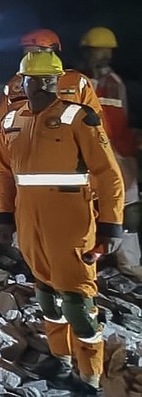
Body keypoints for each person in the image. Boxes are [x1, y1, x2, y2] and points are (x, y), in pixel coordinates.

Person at [0, 51, 124, 392]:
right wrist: (4, 217)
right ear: (25, 81)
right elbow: (5, 176)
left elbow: (109, 175)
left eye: (48, 80)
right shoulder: (12, 122)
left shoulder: (79, 118)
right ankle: (61, 358)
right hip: (30, 224)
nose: (42, 86)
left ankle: (89, 375)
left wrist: (112, 225)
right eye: (37, 80)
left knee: (77, 302)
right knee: (48, 296)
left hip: (71, 224)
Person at [0, 28, 101, 170]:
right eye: (25, 53)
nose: (28, 57)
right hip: (25, 159)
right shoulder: (14, 84)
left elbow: (96, 124)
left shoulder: (77, 82)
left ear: (51, 51)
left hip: (68, 159)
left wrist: (95, 159)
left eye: (34, 52)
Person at [80, 26, 141, 280]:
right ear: (87, 52)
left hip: (118, 156)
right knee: (87, 209)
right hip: (89, 155)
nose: (104, 56)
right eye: (99, 51)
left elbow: (125, 120)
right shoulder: (78, 82)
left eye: (108, 51)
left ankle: (130, 263)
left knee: (129, 210)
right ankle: (89, 259)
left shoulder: (116, 83)